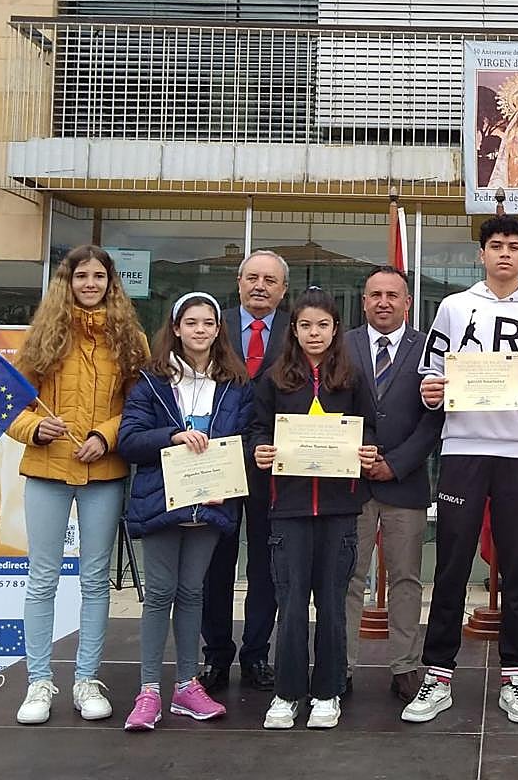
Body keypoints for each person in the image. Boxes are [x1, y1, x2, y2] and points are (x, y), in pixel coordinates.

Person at [402, 214, 518, 726]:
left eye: (514, 246)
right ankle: (438, 675)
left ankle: (515, 678)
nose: (504, 254)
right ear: (482, 254)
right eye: (495, 245)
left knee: (517, 567)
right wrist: (431, 390)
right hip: (463, 449)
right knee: (450, 564)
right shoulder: (454, 307)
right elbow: (432, 373)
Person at [7, 244, 149, 725]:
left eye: (98, 276)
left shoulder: (130, 338)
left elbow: (139, 407)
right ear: (66, 282)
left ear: (112, 282)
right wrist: (34, 428)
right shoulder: (43, 336)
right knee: (42, 579)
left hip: (103, 473)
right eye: (81, 276)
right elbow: (10, 404)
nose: (90, 284)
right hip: (47, 469)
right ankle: (39, 682)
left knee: (94, 580)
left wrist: (104, 437)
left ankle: (87, 678)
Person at [117, 292, 253, 731]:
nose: (200, 330)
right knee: (159, 593)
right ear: (175, 329)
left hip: (211, 503)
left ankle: (187, 686)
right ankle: (148, 691)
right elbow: (129, 440)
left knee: (193, 592)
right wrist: (172, 436)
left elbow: (247, 439)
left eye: (208, 323)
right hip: (161, 502)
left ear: (218, 330)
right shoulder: (152, 380)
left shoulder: (236, 382)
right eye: (191, 322)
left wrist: (230, 470)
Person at [248, 288, 379, 731]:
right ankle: (286, 693)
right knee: (290, 603)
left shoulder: (354, 378)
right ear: (294, 330)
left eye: (322, 325)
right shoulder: (274, 378)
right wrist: (259, 451)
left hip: (341, 509)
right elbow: (256, 430)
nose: (314, 333)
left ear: (335, 328)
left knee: (331, 604)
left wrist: (367, 454)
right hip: (289, 508)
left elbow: (371, 433)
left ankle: (327, 692)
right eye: (305, 325)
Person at [344, 266, 444, 702]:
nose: (383, 302)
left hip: (405, 483)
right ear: (364, 301)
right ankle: (340, 664)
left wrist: (396, 463)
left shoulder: (429, 350)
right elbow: (331, 401)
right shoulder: (341, 345)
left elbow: (436, 416)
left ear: (408, 302)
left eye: (392, 295)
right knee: (348, 577)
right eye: (374, 295)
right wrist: (365, 453)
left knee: (407, 579)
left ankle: (405, 666)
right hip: (354, 480)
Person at [199, 249, 290, 694]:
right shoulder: (211, 327)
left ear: (283, 290)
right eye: (252, 277)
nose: (260, 286)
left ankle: (256, 655)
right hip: (216, 460)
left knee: (265, 567)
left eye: (270, 280)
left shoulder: (296, 331)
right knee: (216, 563)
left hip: (272, 463)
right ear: (238, 282)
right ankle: (215, 656)